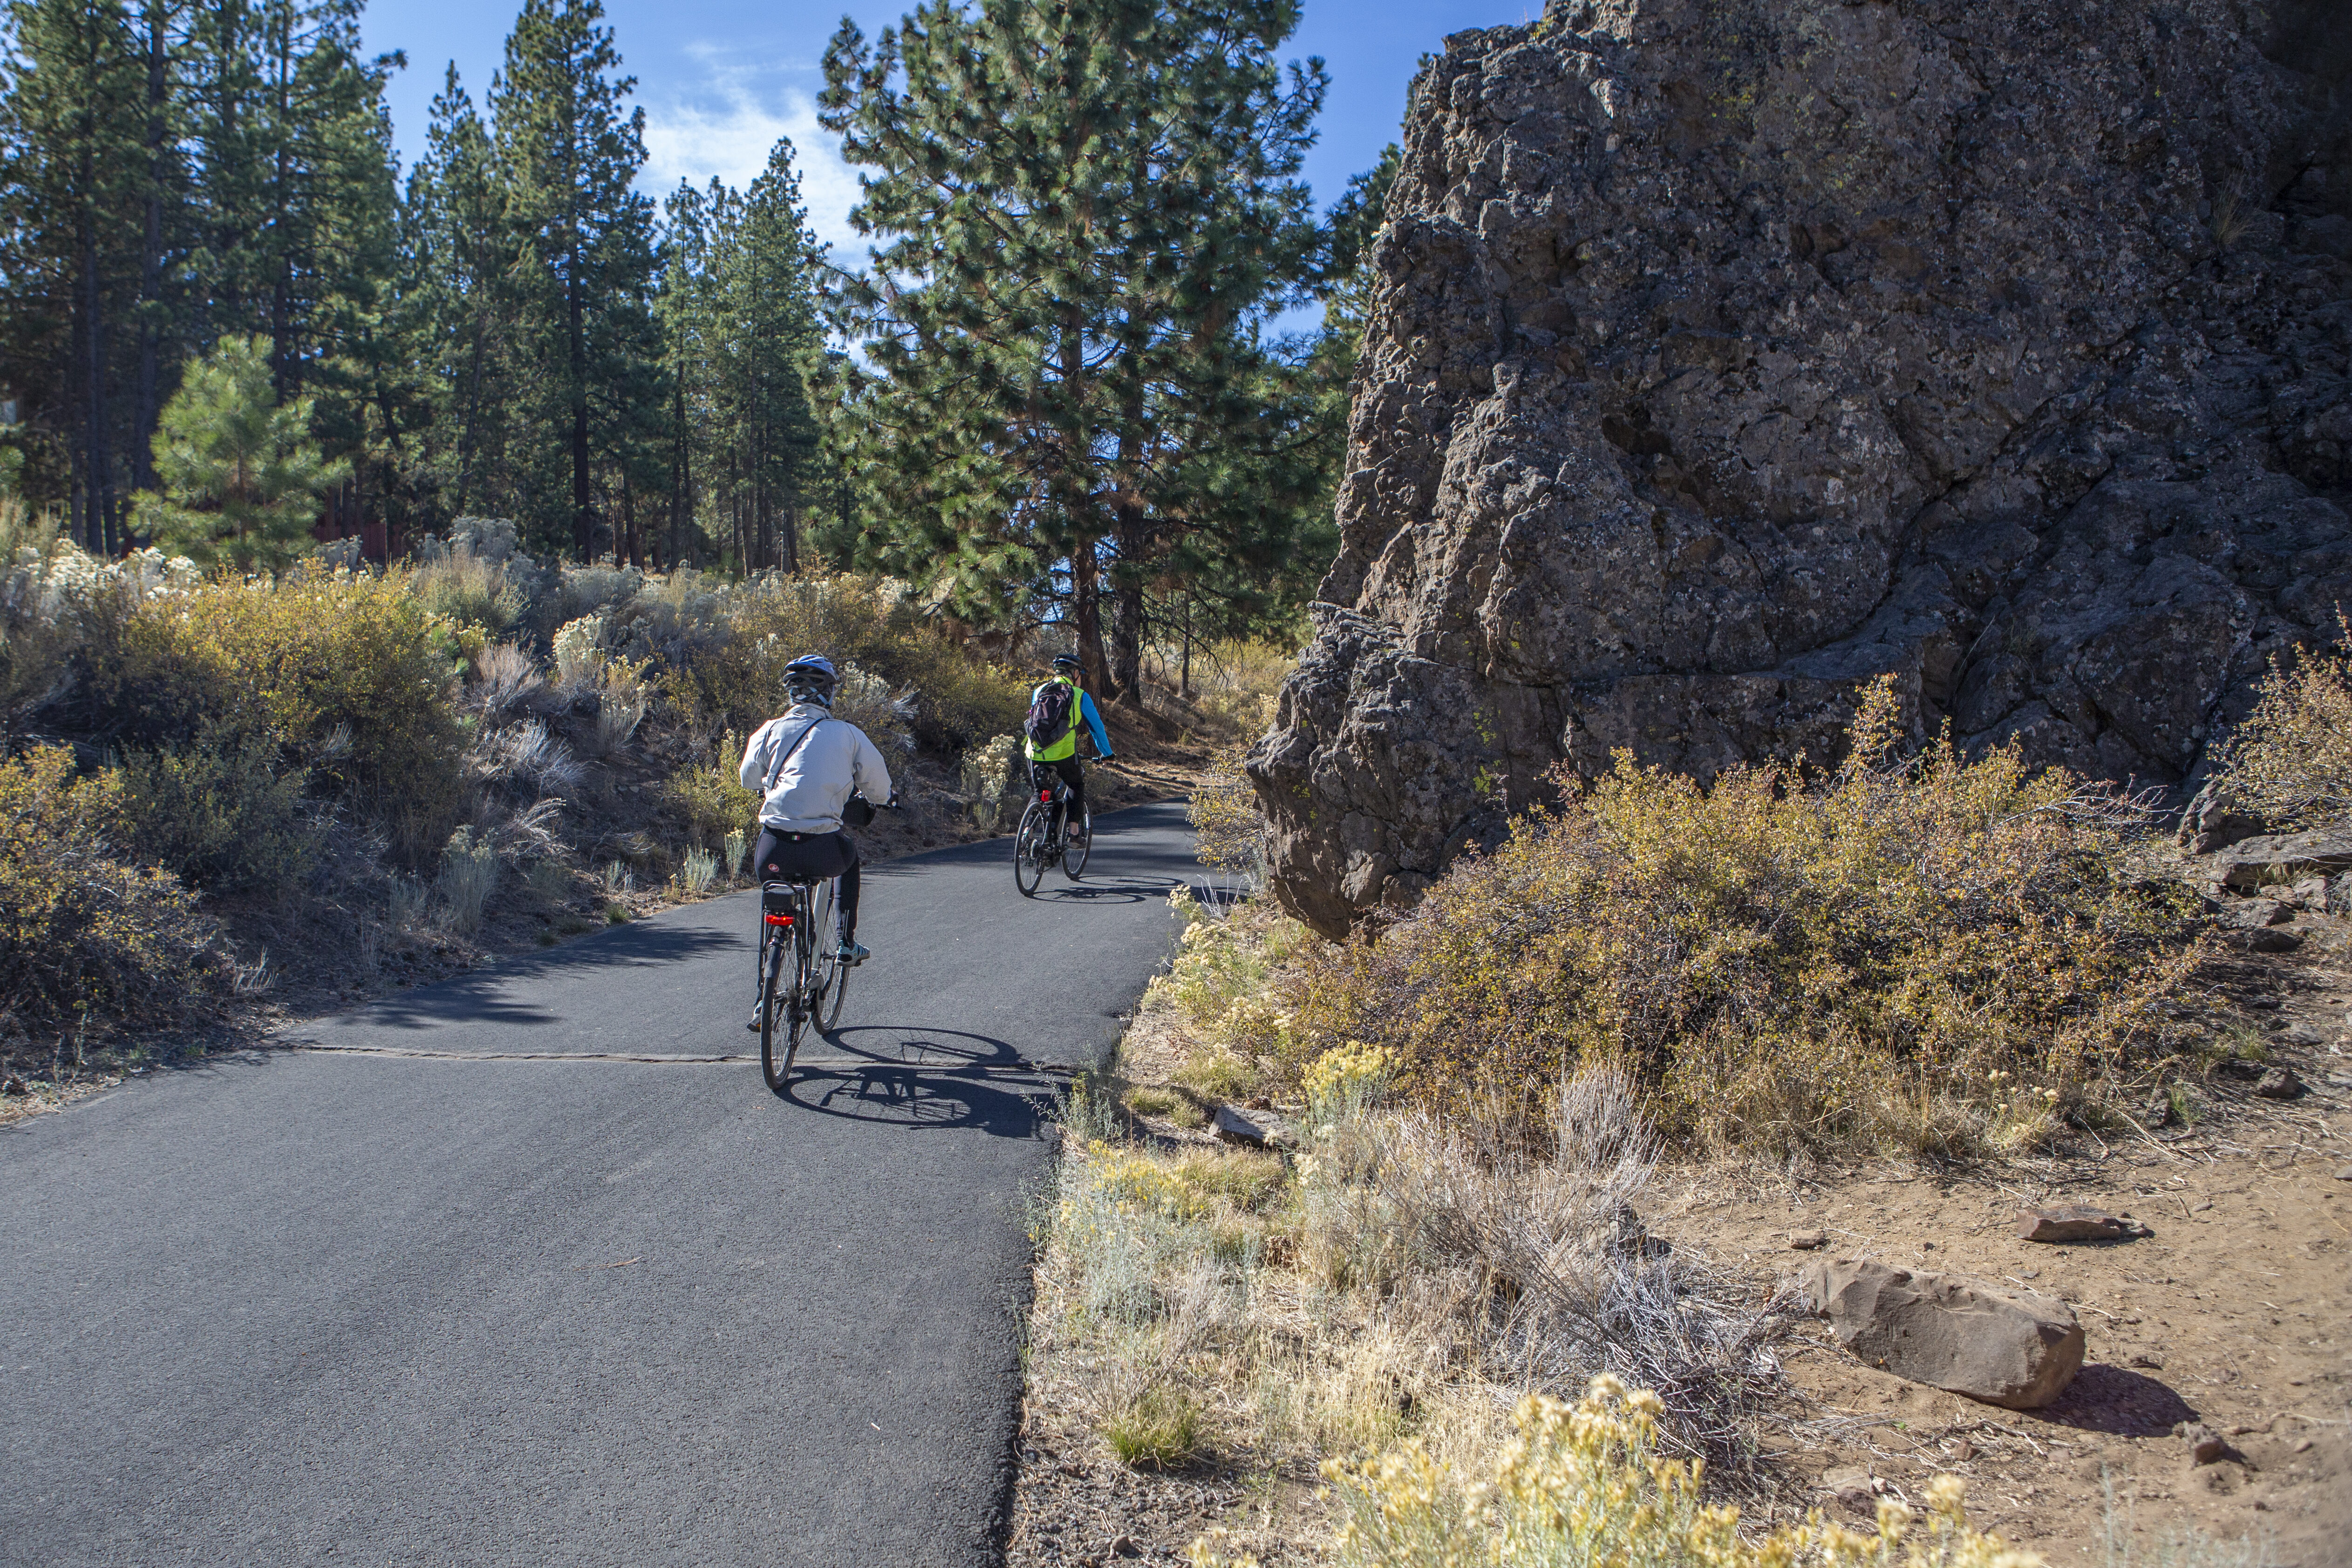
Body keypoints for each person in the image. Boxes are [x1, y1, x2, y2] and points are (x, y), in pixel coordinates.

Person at [739, 655, 894, 1010]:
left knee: (778, 904)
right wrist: (884, 799)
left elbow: (748, 779)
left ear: (790, 693)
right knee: (847, 859)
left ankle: (765, 994)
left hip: (772, 846)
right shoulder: (848, 734)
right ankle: (845, 942)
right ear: (829, 693)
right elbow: (879, 789)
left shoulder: (768, 730)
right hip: (822, 847)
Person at [1024, 653, 1115, 841]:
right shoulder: (1080, 696)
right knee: (1076, 784)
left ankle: (1027, 833)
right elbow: (1096, 727)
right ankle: (1074, 834)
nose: (1080, 678)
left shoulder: (1039, 691)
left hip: (1035, 753)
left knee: (1039, 793)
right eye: (1080, 674)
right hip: (1064, 754)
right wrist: (1107, 753)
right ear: (1074, 673)